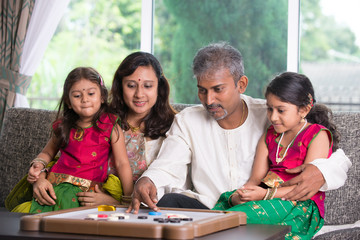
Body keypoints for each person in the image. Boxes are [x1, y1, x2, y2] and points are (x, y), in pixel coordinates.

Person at [127, 42, 351, 214]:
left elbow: (330, 149)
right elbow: (167, 166)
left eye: (218, 89)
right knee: (168, 203)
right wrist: (149, 180)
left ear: (241, 84)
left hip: (262, 209)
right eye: (202, 90)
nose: (209, 99)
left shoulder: (273, 114)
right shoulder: (188, 120)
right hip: (211, 211)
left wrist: (321, 171)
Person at [212, 72, 339, 239]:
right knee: (221, 210)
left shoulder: (317, 135)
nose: (273, 117)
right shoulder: (270, 135)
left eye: (281, 110)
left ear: (304, 109)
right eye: (269, 109)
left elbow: (304, 188)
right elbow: (255, 179)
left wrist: (264, 195)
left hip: (298, 204)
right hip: (267, 196)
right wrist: (241, 195)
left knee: (234, 220)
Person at [17, 67, 133, 213]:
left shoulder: (110, 125)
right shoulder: (63, 126)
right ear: (69, 102)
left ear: (102, 97)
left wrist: (128, 198)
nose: (85, 99)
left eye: (91, 93)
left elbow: (122, 163)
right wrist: (38, 165)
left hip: (86, 193)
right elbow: (47, 153)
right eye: (77, 95)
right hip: (53, 188)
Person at [75, 52, 176, 206]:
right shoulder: (103, 121)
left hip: (141, 216)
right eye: (131, 85)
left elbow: (172, 192)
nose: (139, 94)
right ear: (120, 86)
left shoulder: (174, 129)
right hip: (86, 208)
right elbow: (68, 157)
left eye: (148, 86)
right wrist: (40, 172)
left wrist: (114, 203)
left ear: (159, 87)